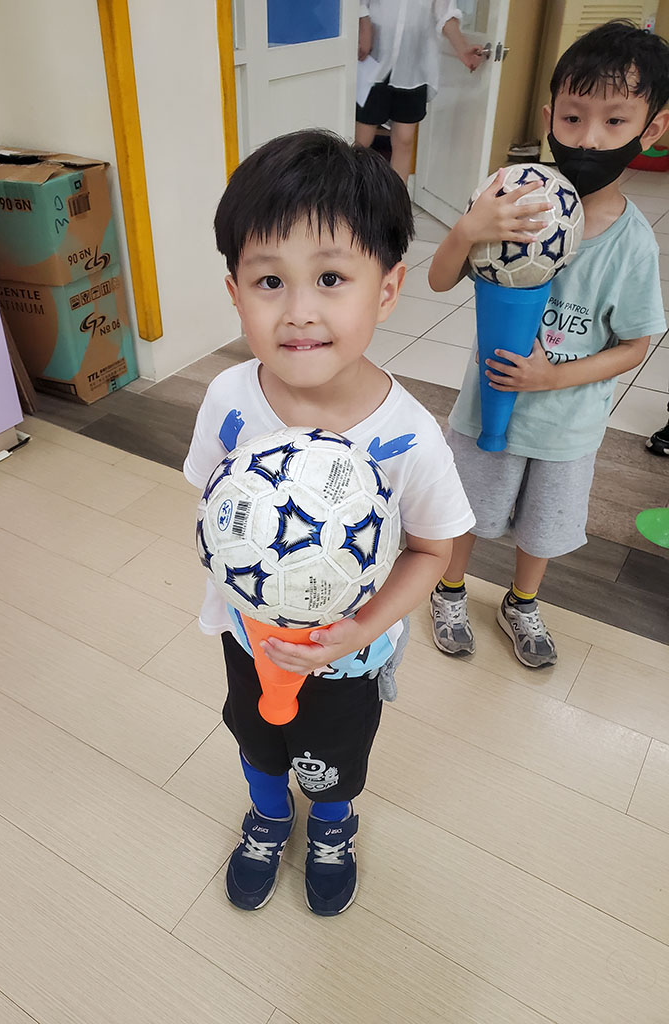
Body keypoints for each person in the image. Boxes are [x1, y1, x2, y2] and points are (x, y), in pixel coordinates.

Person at [184, 130, 475, 915]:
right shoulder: (228, 400)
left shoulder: (408, 436)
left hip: (350, 657)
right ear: (235, 291)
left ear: (387, 289)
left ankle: (332, 825)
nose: (300, 311)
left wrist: (361, 628)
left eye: (332, 277)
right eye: (269, 280)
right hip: (247, 635)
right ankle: (267, 815)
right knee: (256, 739)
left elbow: (432, 548)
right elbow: (210, 505)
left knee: (333, 760)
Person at [427, 20, 669, 668]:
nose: (588, 138)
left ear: (652, 129)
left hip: (567, 426)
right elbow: (439, 279)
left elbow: (635, 346)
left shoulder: (633, 245)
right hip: (484, 410)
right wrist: (468, 228)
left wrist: (551, 378)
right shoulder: (509, 203)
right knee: (466, 511)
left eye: (614, 122)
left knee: (543, 526)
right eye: (573, 117)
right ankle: (449, 589)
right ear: (548, 118)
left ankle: (522, 602)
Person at [355, 0, 485, 181]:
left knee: (405, 139)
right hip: (373, 60)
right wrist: (364, 26)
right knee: (360, 142)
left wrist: (463, 49)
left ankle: (397, 197)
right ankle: (349, 195)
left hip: (414, 66)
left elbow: (445, 13)